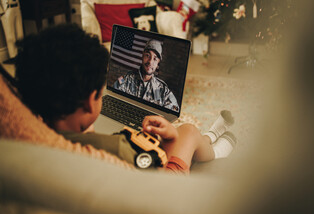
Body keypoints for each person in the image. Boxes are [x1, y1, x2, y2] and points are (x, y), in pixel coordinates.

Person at [15, 24, 237, 174]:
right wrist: (169, 138)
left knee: (177, 131)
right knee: (186, 131)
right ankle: (213, 150)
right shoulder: (115, 148)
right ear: (90, 101)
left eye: (155, 58)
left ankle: (209, 137)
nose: (150, 61)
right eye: (146, 55)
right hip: (155, 184)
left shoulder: (29, 134)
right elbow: (150, 166)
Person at [113, 39, 180, 112]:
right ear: (142, 56)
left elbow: (175, 109)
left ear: (158, 63)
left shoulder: (163, 90)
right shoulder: (126, 80)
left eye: (155, 59)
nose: (150, 62)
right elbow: (114, 97)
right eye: (148, 56)